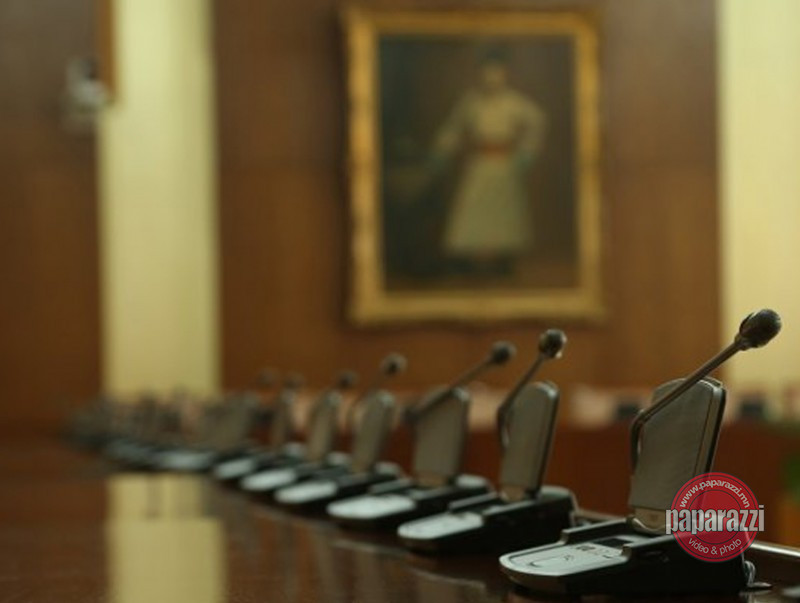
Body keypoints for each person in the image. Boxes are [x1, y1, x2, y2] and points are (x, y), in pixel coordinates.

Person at [431, 47, 547, 274]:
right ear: (480, 73)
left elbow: (538, 122)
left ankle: (504, 260)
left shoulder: (514, 102)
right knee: (474, 210)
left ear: (506, 73)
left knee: (503, 212)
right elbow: (453, 128)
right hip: (479, 163)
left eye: (497, 72)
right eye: (487, 72)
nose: (492, 77)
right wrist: (441, 151)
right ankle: (470, 262)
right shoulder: (471, 102)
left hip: (504, 165)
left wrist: (527, 152)